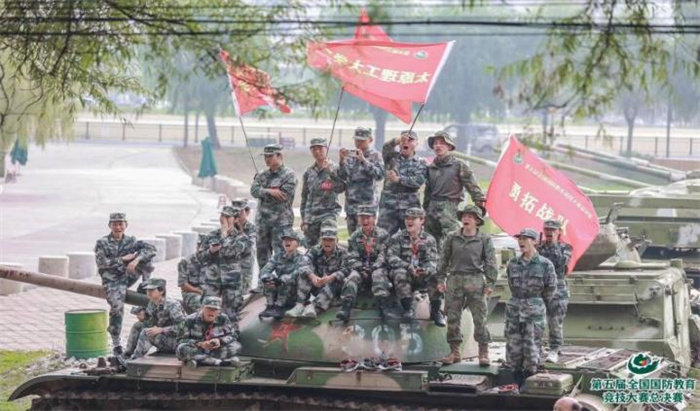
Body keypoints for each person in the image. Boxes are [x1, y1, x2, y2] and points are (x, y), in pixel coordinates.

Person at [438, 205, 498, 366]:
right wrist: (440, 279)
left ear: (477, 221)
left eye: (470, 216)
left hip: (475, 279)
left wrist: (490, 282)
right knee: (452, 317)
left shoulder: (484, 239)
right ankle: (454, 352)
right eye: (464, 216)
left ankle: (483, 353)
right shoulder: (452, 237)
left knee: (480, 318)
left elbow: (490, 262)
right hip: (455, 279)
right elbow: (444, 259)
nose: (466, 219)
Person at [94, 212, 157, 355]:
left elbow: (151, 249)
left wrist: (135, 260)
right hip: (112, 279)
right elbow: (102, 263)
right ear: (109, 225)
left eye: (120, 224)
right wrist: (122, 259)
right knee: (117, 308)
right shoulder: (102, 242)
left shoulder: (131, 240)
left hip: (128, 274)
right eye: (115, 224)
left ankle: (145, 285)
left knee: (146, 257)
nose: (118, 227)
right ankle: (116, 342)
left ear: (126, 225)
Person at [505, 228, 556, 388]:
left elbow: (550, 289)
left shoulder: (545, 264)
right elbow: (511, 284)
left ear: (534, 241)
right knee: (513, 347)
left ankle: (529, 382)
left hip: (534, 311)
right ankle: (516, 381)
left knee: (532, 347)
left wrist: (535, 303)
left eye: (526, 239)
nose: (521, 242)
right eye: (520, 239)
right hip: (514, 310)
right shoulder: (513, 263)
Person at [423, 131, 485, 251]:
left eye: (442, 143)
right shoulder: (431, 168)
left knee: (453, 239)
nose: (438, 146)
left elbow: (472, 186)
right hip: (432, 208)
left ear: (449, 147)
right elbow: (428, 191)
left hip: (449, 207)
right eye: (435, 143)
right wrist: (425, 209)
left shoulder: (458, 166)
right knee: (430, 241)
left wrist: (479, 205)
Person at [386, 208, 443, 324]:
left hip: (421, 275)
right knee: (400, 272)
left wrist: (425, 270)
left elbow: (432, 261)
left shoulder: (429, 239)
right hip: (404, 274)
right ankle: (408, 309)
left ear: (421, 220)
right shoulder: (397, 238)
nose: (409, 221)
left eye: (413, 219)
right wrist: (408, 267)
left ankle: (436, 312)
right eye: (407, 218)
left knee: (436, 275)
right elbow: (391, 257)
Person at [337, 204, 393, 321]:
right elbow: (351, 257)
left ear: (374, 218)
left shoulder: (383, 235)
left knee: (378, 275)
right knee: (352, 276)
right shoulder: (355, 236)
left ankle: (383, 307)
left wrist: (374, 267)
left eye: (368, 217)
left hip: (378, 267)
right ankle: (346, 307)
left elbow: (384, 255)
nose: (365, 221)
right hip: (360, 268)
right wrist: (361, 268)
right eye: (362, 217)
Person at [197, 206, 250, 322]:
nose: (223, 219)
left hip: (232, 280)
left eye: (227, 217)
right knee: (207, 310)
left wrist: (224, 234)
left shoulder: (241, 237)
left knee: (231, 313)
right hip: (212, 279)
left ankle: (228, 332)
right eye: (222, 216)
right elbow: (200, 257)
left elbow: (231, 252)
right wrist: (210, 252)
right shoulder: (212, 235)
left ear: (236, 219)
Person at [250, 144, 297, 269]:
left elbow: (284, 195)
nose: (267, 159)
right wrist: (270, 191)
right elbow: (254, 191)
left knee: (281, 255)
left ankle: (280, 280)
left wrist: (263, 191)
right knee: (262, 255)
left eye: (270, 156)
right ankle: (264, 279)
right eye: (265, 157)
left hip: (281, 223)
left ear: (279, 156)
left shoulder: (289, 175)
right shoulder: (261, 175)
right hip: (262, 222)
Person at [286, 223, 347, 319]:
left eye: (331, 240)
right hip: (318, 285)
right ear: (320, 240)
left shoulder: (343, 252)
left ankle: (313, 307)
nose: (327, 242)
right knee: (303, 273)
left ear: (337, 241)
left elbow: (347, 269)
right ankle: (300, 305)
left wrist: (331, 277)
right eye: (324, 239)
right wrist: (312, 276)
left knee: (337, 280)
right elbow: (303, 263)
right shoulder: (315, 250)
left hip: (334, 291)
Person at [377, 131, 427, 236]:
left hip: (410, 208)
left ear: (416, 143)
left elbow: (418, 180)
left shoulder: (421, 163)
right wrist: (397, 140)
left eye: (410, 140)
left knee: (411, 237)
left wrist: (398, 179)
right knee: (383, 237)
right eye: (403, 140)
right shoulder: (391, 158)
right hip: (388, 207)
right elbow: (386, 147)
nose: (406, 142)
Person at [537, 219, 573, 363]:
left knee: (555, 321)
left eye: (553, 230)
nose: (549, 232)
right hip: (541, 287)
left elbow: (561, 262)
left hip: (558, 288)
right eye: (547, 229)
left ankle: (554, 349)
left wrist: (553, 246)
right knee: (537, 320)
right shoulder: (538, 248)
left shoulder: (566, 248)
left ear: (559, 232)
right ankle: (537, 348)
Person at [338, 127, 384, 235]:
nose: (359, 143)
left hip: (367, 205)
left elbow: (379, 175)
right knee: (352, 236)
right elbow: (343, 176)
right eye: (357, 140)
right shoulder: (351, 156)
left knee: (365, 236)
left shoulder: (375, 155)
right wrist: (342, 161)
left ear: (370, 140)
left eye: (362, 140)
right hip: (351, 205)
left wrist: (364, 161)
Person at [300, 138, 345, 247]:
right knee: (311, 249)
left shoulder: (335, 168)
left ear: (326, 149)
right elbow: (305, 197)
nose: (317, 151)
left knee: (328, 247)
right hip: (312, 217)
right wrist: (304, 219)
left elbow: (341, 188)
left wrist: (330, 172)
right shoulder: (309, 172)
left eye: (320, 148)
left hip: (329, 215)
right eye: (314, 149)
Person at [125, 278, 186, 359]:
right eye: (147, 290)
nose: (148, 292)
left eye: (152, 290)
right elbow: (151, 324)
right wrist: (143, 318)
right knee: (138, 325)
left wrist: (162, 330)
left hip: (176, 342)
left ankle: (135, 359)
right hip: (164, 338)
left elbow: (183, 327)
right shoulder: (152, 304)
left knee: (147, 332)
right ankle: (127, 354)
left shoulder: (172, 305)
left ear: (161, 291)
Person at [176, 296, 241, 368]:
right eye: (209, 308)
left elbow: (233, 335)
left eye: (215, 309)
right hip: (197, 349)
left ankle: (200, 361)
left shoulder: (223, 318)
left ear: (219, 311)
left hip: (215, 350)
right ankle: (219, 362)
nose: (211, 312)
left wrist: (219, 341)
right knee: (182, 348)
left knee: (235, 346)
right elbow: (180, 340)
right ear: (202, 308)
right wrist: (200, 344)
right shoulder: (190, 320)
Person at [258, 230, 310, 320]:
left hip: (295, 294)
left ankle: (279, 307)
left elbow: (298, 273)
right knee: (269, 278)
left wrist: (281, 280)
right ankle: (270, 306)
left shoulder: (303, 258)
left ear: (297, 243)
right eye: (285, 240)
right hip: (280, 291)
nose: (287, 242)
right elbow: (264, 271)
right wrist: (267, 278)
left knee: (284, 278)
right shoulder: (278, 257)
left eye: (290, 240)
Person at [231, 197, 257, 292]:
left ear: (247, 212)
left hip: (245, 267)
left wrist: (239, 229)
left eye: (240, 211)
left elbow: (247, 244)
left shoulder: (252, 228)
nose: (237, 214)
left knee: (244, 292)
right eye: (235, 211)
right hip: (229, 266)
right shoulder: (229, 226)